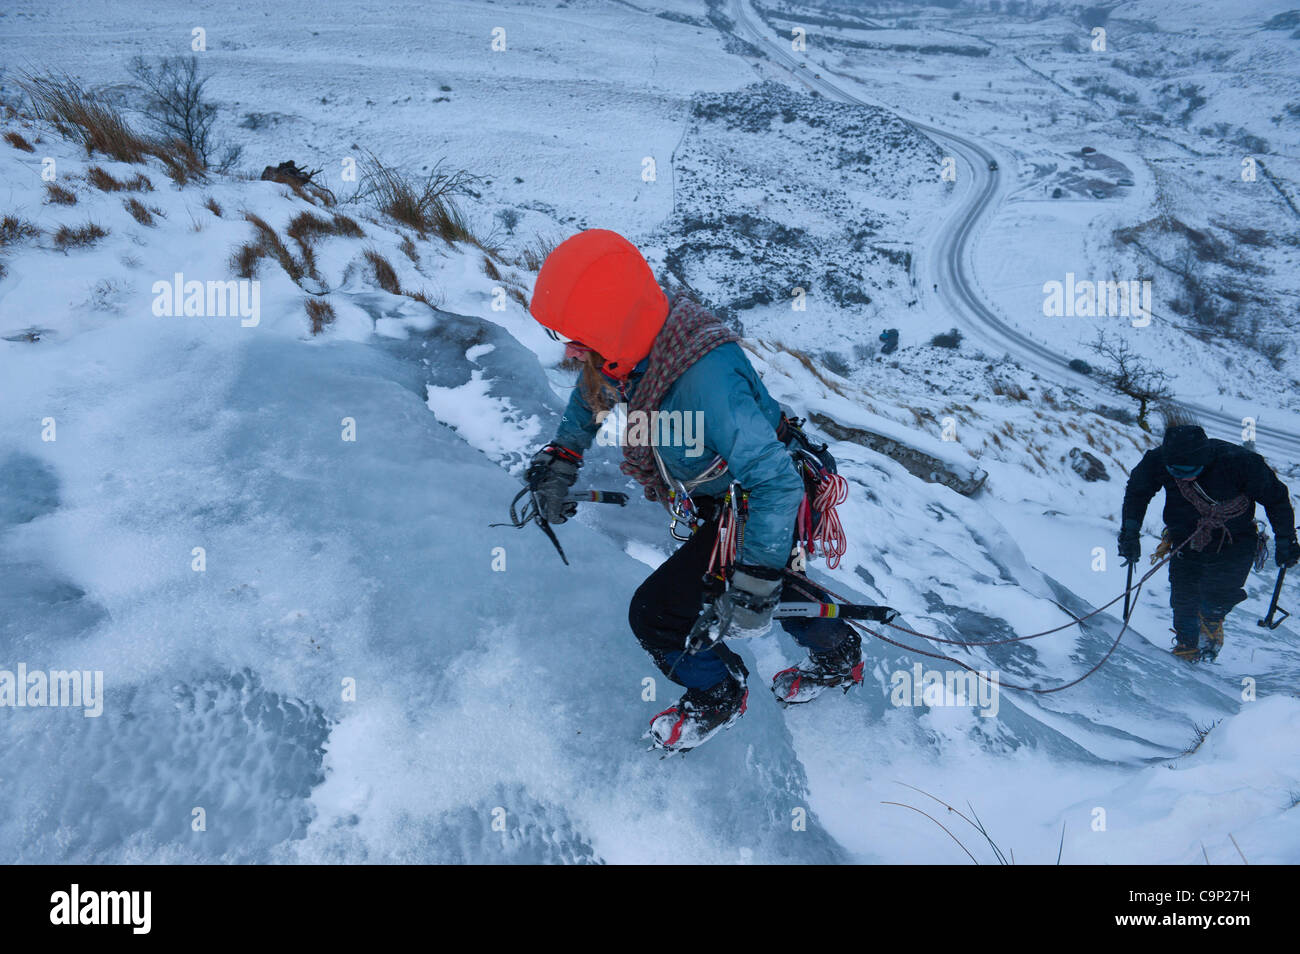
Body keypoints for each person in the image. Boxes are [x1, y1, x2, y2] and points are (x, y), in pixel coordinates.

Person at [525, 229, 861, 752]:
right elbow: (594, 391)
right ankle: (839, 653)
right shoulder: (633, 351)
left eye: (576, 337)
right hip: (722, 499)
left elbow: (776, 482)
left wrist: (755, 579)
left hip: (757, 499)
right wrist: (564, 456)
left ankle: (718, 693)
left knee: (659, 615)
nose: (570, 349)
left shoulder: (704, 380)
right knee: (760, 589)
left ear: (613, 325)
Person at [1118, 420, 1297, 661]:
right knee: (1184, 595)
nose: (1184, 478)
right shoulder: (1158, 459)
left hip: (1236, 539)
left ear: (1204, 459)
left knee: (1218, 594)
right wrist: (1130, 532)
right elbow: (1138, 492)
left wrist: (1286, 539)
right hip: (1185, 537)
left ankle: (1212, 625)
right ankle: (1187, 647)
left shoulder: (1240, 462)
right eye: (1176, 472)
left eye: (1189, 471)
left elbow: (1276, 499)